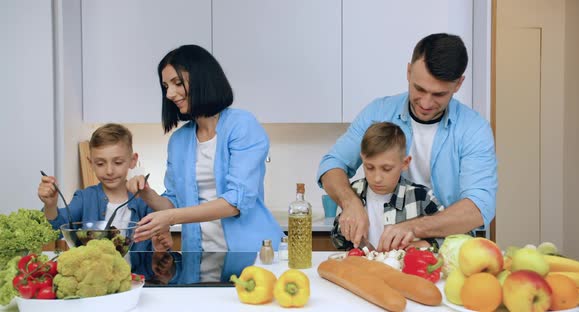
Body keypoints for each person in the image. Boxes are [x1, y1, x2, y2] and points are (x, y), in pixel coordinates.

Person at [318, 33, 497, 251]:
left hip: (444, 253)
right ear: (408, 71)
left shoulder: (474, 129)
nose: (426, 103)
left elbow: (478, 208)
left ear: (458, 84)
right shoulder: (378, 112)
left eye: (439, 94)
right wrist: (350, 203)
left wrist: (412, 228)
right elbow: (331, 165)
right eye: (419, 89)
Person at [127, 44, 284, 252]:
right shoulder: (179, 140)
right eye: (166, 86)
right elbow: (173, 202)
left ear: (202, 79)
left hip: (251, 255)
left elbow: (235, 202)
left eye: (177, 83)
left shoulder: (242, 125)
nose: (170, 94)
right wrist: (146, 194)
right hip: (199, 256)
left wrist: (171, 217)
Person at [37, 123, 171, 251]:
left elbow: (166, 221)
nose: (109, 171)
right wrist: (50, 205)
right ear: (91, 163)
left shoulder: (144, 200)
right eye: (100, 164)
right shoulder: (84, 198)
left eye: (117, 162)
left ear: (132, 160)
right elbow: (56, 229)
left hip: (136, 274)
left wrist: (160, 245)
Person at [331, 122, 444, 251]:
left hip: (403, 270)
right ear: (362, 159)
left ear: (405, 163)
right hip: (362, 269)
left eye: (386, 169)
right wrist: (345, 230)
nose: (377, 178)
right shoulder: (354, 191)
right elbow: (337, 241)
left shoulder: (421, 197)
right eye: (369, 167)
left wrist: (425, 245)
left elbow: (453, 236)